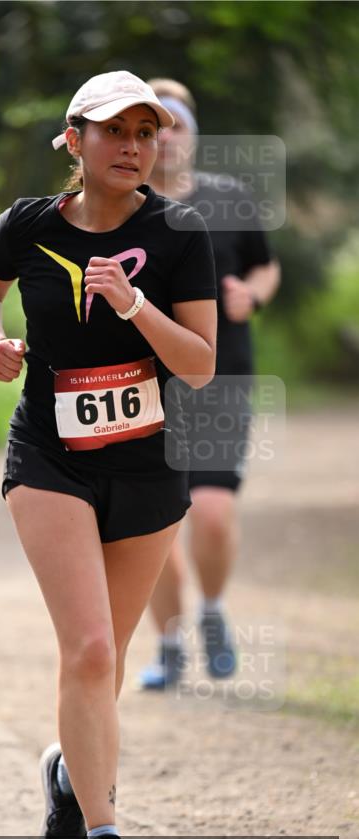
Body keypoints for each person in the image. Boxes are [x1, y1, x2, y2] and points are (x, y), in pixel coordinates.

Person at [0, 71, 217, 839]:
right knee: (92, 649)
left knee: (103, 668)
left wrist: (135, 305)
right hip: (50, 457)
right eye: (114, 131)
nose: (133, 146)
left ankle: (67, 773)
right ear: (75, 140)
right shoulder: (28, 224)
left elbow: (199, 365)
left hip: (146, 464)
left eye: (146, 132)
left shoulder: (178, 232)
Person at [138, 79, 281, 689]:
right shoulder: (125, 205)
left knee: (214, 514)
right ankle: (169, 644)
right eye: (155, 127)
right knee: (154, 530)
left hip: (221, 380)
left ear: (194, 137)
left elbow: (266, 265)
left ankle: (214, 612)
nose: (168, 138)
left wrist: (253, 295)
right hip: (143, 385)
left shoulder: (229, 197)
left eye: (177, 126)